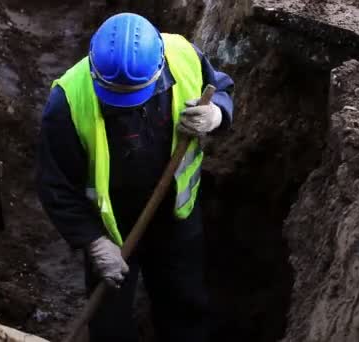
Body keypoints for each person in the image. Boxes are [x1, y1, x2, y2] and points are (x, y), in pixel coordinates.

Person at [37, 12, 234, 342]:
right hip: (111, 228)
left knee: (185, 305)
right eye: (117, 100)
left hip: (175, 217)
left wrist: (216, 114)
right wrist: (94, 242)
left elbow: (224, 88)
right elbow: (55, 185)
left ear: (159, 70)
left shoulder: (184, 56)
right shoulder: (68, 102)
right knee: (109, 321)